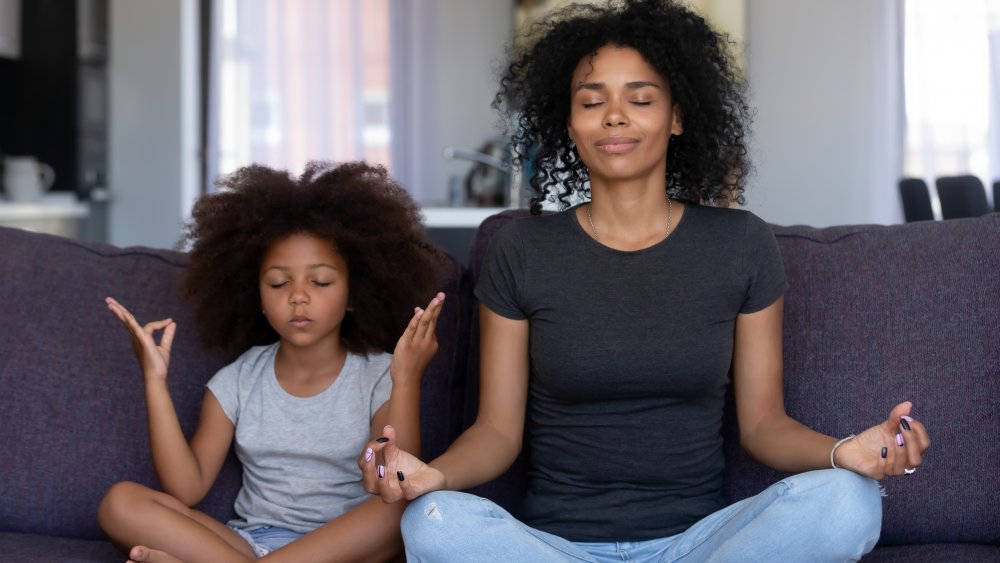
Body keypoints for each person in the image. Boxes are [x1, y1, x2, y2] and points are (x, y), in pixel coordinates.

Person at [361, 1, 931, 562]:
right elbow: (496, 433)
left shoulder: (740, 244)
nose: (614, 116)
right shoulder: (523, 250)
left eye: (640, 98)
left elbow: (763, 425)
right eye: (592, 101)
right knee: (434, 521)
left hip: (702, 544)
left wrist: (844, 453)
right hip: (555, 546)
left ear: (677, 117)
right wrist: (435, 477)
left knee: (849, 501)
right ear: (569, 123)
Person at [98, 161, 446, 563]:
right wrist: (153, 380)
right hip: (250, 545)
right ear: (257, 297)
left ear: (353, 294)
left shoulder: (380, 372)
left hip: (346, 548)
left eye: (320, 281)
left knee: (402, 505)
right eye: (279, 283)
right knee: (119, 502)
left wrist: (406, 379)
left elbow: (393, 475)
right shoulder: (237, 381)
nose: (298, 296)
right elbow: (186, 489)